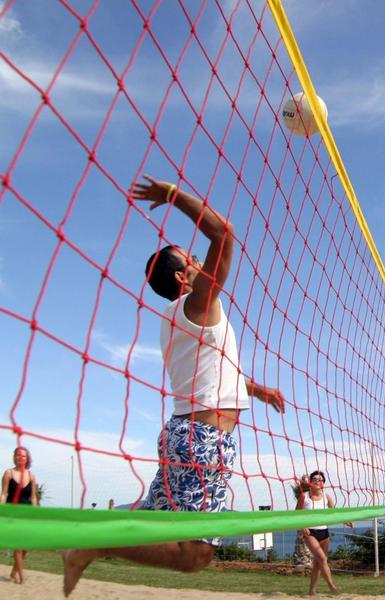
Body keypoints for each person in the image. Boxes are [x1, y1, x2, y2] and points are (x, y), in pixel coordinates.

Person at [62, 176, 287, 596]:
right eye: (194, 259)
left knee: (155, 523)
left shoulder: (176, 317)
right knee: (194, 554)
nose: (202, 261)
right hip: (203, 441)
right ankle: (90, 543)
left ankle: (91, 538)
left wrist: (257, 391)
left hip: (184, 435)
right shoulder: (198, 304)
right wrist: (171, 195)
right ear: (185, 277)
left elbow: (216, 372)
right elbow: (224, 234)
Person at [296, 470, 350, 596]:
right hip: (310, 532)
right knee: (322, 558)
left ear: (323, 483)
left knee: (318, 563)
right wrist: (302, 526)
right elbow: (296, 514)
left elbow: (334, 512)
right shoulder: (304, 496)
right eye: (314, 479)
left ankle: (312, 591)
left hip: (324, 533)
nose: (317, 481)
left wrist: (345, 520)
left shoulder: (327, 497)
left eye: (320, 480)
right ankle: (332, 587)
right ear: (310, 482)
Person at [1, 446, 38, 584]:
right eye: (18, 455)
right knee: (18, 545)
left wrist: (36, 512)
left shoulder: (31, 475)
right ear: (14, 457)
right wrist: (2, 510)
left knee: (26, 548)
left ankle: (13, 572)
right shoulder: (8, 473)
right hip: (13, 513)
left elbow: (33, 496)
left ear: (27, 459)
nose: (20, 458)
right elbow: (4, 494)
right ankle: (22, 577)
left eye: (23, 456)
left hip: (27, 514)